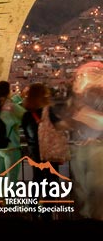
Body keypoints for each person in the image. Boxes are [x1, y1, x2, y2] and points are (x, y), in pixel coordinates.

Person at [66, 62, 103, 220]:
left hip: (97, 149)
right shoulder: (77, 99)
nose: (80, 78)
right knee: (81, 189)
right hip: (80, 149)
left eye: (85, 74)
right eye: (79, 76)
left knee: (96, 189)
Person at [0, 80, 25, 181]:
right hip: (10, 147)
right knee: (12, 180)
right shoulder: (12, 106)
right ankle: (9, 197)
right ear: (8, 91)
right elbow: (24, 116)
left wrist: (16, 98)